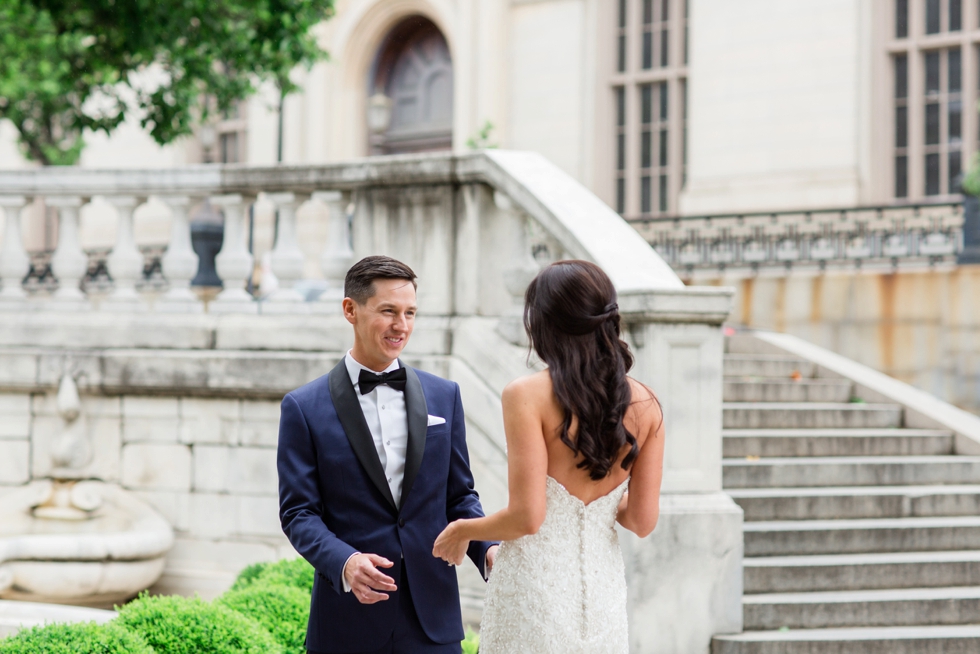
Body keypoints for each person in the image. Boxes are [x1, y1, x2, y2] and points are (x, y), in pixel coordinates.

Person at [432, 260, 666, 654]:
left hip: (532, 594)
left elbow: (527, 517)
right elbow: (642, 521)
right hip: (603, 598)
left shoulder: (526, 395)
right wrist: (600, 502)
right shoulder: (647, 406)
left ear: (544, 323)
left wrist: (461, 529)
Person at [278, 255, 498, 654]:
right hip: (346, 623)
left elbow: (460, 496)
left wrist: (488, 549)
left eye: (410, 312)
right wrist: (344, 562)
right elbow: (298, 513)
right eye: (388, 312)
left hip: (434, 622)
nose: (402, 326)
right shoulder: (303, 407)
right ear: (351, 310)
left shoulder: (444, 396)